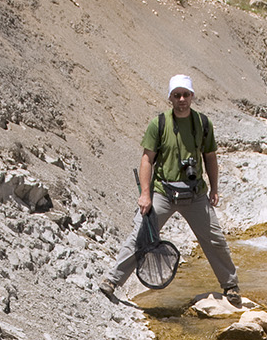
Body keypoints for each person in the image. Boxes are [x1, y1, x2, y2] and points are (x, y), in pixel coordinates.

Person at [100, 75, 242, 303]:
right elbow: (147, 159)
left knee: (215, 239)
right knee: (140, 234)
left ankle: (231, 286)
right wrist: (145, 194)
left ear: (193, 96)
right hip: (163, 193)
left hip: (195, 195)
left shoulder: (203, 124)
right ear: (170, 98)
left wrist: (214, 188)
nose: (182, 99)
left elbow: (210, 157)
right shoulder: (159, 124)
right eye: (177, 95)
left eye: (186, 94)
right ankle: (112, 281)